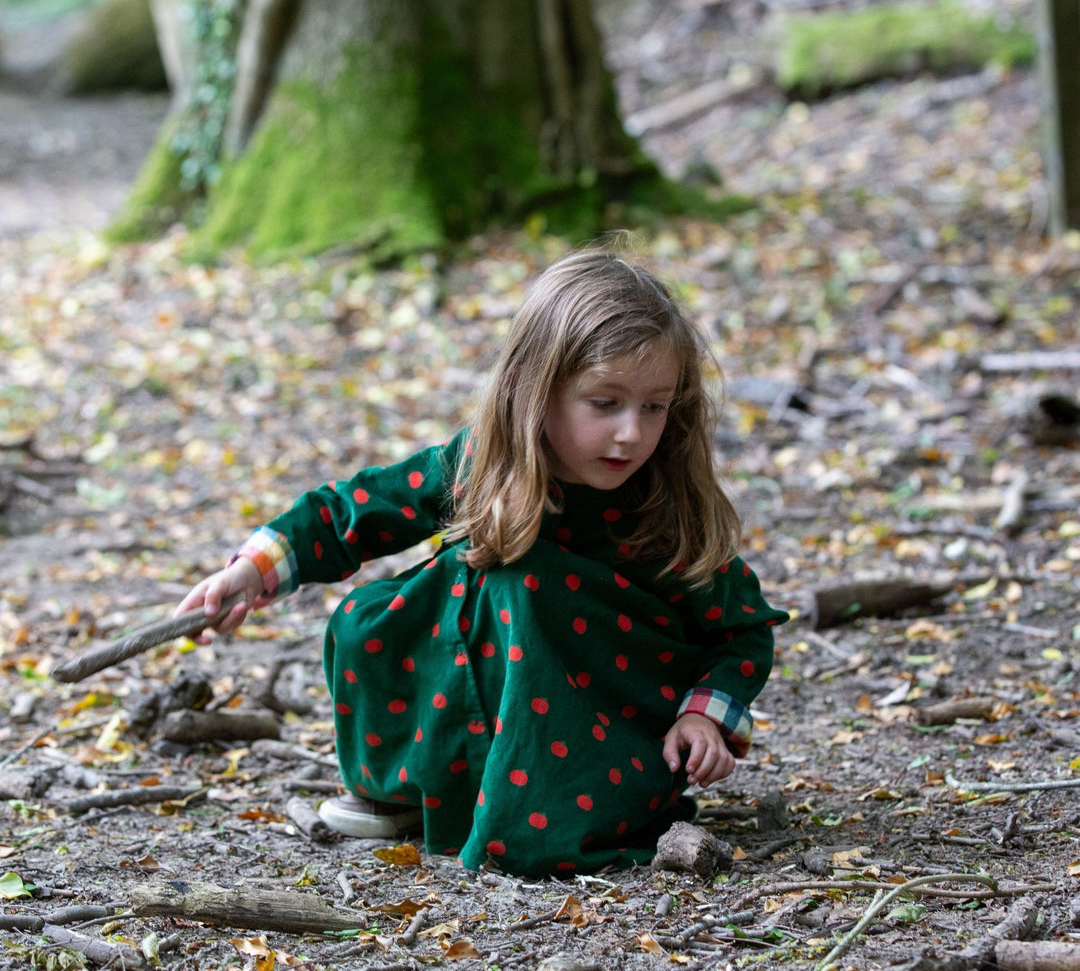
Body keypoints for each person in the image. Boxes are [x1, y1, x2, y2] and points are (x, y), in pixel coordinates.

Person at [176, 248, 788, 877]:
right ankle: (422, 793)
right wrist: (252, 570)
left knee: (525, 586)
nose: (631, 433)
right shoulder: (481, 467)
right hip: (494, 692)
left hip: (602, 735)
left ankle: (545, 819)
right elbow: (355, 510)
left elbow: (741, 626)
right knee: (370, 616)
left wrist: (702, 715)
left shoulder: (662, 509)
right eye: (604, 403)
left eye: (654, 407)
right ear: (536, 390)